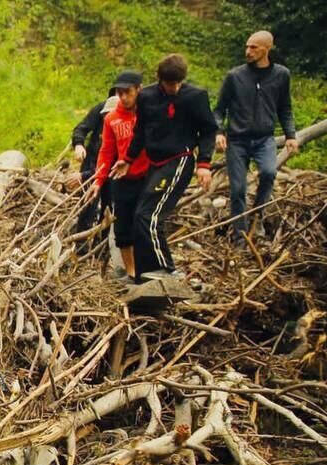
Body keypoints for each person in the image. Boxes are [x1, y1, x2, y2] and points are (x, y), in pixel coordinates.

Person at [111, 54, 217, 282]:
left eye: (178, 83)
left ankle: (166, 270)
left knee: (149, 215)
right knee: (141, 214)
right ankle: (144, 273)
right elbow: (140, 132)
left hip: (180, 159)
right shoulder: (147, 97)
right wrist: (127, 159)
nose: (174, 88)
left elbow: (208, 131)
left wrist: (204, 164)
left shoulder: (195, 97)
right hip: (155, 162)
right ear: (160, 79)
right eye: (170, 84)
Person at [214, 30, 298, 244]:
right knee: (238, 188)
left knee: (269, 172)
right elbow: (219, 109)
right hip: (237, 140)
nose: (248, 51)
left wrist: (290, 135)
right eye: (247, 46)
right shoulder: (235, 76)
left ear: (267, 49)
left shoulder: (281, 75)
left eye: (254, 47)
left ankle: (257, 216)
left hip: (265, 138)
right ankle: (240, 237)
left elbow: (285, 108)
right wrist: (218, 132)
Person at [87, 71, 147, 280]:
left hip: (147, 175)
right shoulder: (112, 118)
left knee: (144, 221)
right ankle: (131, 273)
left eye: (127, 92)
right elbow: (107, 151)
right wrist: (98, 180)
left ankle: (145, 269)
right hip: (122, 178)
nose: (123, 97)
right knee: (122, 228)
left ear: (139, 89)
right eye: (120, 93)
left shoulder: (147, 114)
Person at [71, 86, 113, 232]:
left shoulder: (129, 123)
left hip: (113, 171)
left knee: (110, 207)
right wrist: (78, 144)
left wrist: (84, 176)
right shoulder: (101, 109)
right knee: (88, 206)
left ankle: (103, 246)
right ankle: (81, 247)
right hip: (92, 161)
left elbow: (113, 163)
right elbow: (81, 128)